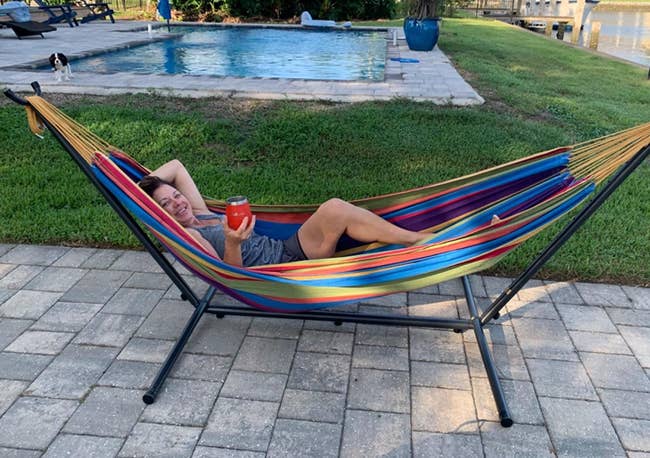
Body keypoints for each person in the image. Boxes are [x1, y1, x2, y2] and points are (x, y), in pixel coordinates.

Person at [139, 160, 429, 267]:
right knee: (338, 213)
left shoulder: (200, 212)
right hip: (277, 270)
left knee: (334, 207)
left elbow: (176, 166)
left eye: (176, 194)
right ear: (160, 215)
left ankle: (412, 239)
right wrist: (232, 242)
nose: (178, 202)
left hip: (287, 248)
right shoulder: (189, 233)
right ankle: (418, 242)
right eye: (166, 205)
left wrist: (141, 185)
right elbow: (228, 273)